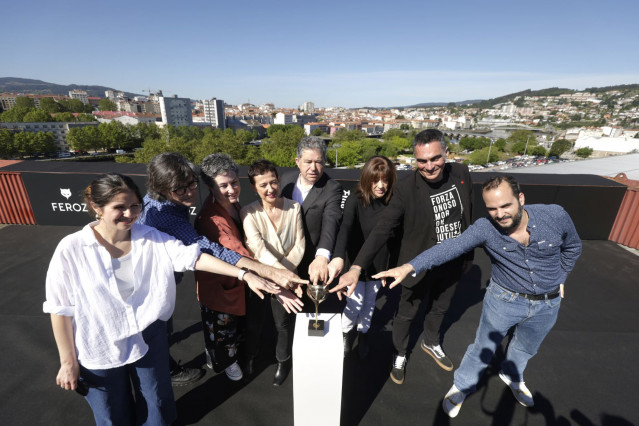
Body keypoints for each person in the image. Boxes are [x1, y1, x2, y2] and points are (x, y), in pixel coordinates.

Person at [44, 173, 279, 425]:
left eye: (134, 206)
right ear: (96, 208)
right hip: (98, 343)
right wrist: (68, 362)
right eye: (119, 208)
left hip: (147, 335)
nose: (129, 214)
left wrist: (244, 274)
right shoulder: (71, 249)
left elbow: (193, 257)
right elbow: (60, 308)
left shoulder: (151, 236)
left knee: (157, 404)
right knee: (111, 413)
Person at [373, 175, 582, 417]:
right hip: (504, 300)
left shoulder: (555, 215)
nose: (499, 214)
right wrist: (409, 267)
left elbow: (573, 247)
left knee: (526, 347)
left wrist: (561, 276)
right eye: (492, 208)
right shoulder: (486, 228)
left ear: (521, 198)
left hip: (548, 303)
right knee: (482, 347)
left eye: (506, 205)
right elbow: (449, 247)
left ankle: (512, 374)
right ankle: (461, 386)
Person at [137, 153, 307, 385]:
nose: (189, 192)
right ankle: (220, 364)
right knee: (219, 329)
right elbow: (220, 251)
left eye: (234, 182)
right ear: (162, 188)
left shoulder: (226, 203)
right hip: (209, 283)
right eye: (180, 189)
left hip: (229, 279)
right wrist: (275, 282)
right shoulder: (204, 218)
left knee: (226, 329)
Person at [331, 129, 474, 384]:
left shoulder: (462, 174)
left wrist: (468, 256)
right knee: (407, 312)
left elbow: (467, 217)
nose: (429, 166)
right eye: (422, 160)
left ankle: (431, 342)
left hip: (452, 261)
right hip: (416, 265)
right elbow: (382, 230)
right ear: (415, 159)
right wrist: (355, 268)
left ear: (447, 154)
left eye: (435, 158)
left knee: (440, 308)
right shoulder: (406, 189)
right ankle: (399, 353)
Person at [195, 154, 303, 382]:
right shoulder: (211, 218)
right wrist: (279, 281)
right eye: (222, 185)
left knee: (241, 327)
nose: (232, 189)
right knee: (224, 332)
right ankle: (228, 364)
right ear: (209, 186)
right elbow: (240, 253)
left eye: (234, 182)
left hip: (246, 280)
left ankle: (243, 358)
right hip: (222, 286)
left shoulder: (235, 205)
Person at [241, 159, 306, 386]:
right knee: (255, 322)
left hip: (289, 278)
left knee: (283, 324)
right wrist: (284, 276)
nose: (270, 189)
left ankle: (282, 361)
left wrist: (286, 277)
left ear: (279, 181)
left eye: (273, 182)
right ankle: (249, 357)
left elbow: (299, 245)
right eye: (263, 185)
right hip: (260, 278)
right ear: (253, 187)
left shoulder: (294, 207)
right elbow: (257, 249)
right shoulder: (247, 213)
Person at [326, 156, 397, 359]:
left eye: (385, 180)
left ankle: (363, 334)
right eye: (376, 180)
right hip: (354, 261)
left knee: (369, 303)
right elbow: (345, 229)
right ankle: (347, 334)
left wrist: (390, 267)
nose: (381, 186)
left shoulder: (393, 202)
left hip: (378, 263)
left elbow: (395, 239)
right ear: (367, 179)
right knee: (354, 303)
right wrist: (339, 257)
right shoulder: (355, 199)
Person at [280, 136, 343, 287]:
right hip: (281, 263)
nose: (313, 168)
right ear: (297, 162)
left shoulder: (332, 188)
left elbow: (331, 221)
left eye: (318, 162)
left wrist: (321, 257)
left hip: (312, 265)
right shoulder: (285, 180)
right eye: (308, 162)